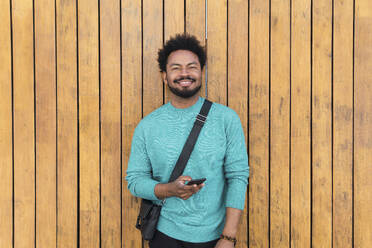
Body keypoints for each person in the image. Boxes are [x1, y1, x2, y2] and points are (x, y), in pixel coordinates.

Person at [126, 33, 249, 248]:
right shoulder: (147, 126)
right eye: (175, 68)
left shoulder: (226, 119)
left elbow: (238, 177)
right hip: (164, 234)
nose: (185, 73)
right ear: (164, 76)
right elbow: (135, 181)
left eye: (192, 67)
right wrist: (169, 190)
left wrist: (228, 237)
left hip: (215, 236)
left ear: (201, 72)